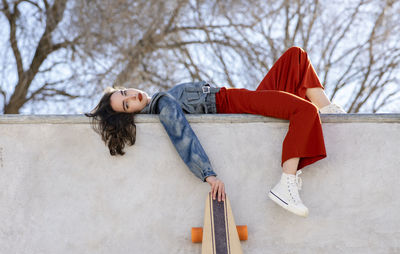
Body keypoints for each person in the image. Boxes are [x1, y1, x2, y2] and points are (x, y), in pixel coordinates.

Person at [86, 46, 346, 217]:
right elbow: (182, 137)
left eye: (124, 93)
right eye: (126, 104)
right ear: (130, 114)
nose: (131, 96)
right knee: (303, 111)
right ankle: (286, 183)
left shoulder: (158, 97)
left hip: (236, 99)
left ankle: (329, 111)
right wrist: (208, 175)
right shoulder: (163, 105)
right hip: (232, 104)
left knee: (295, 57)